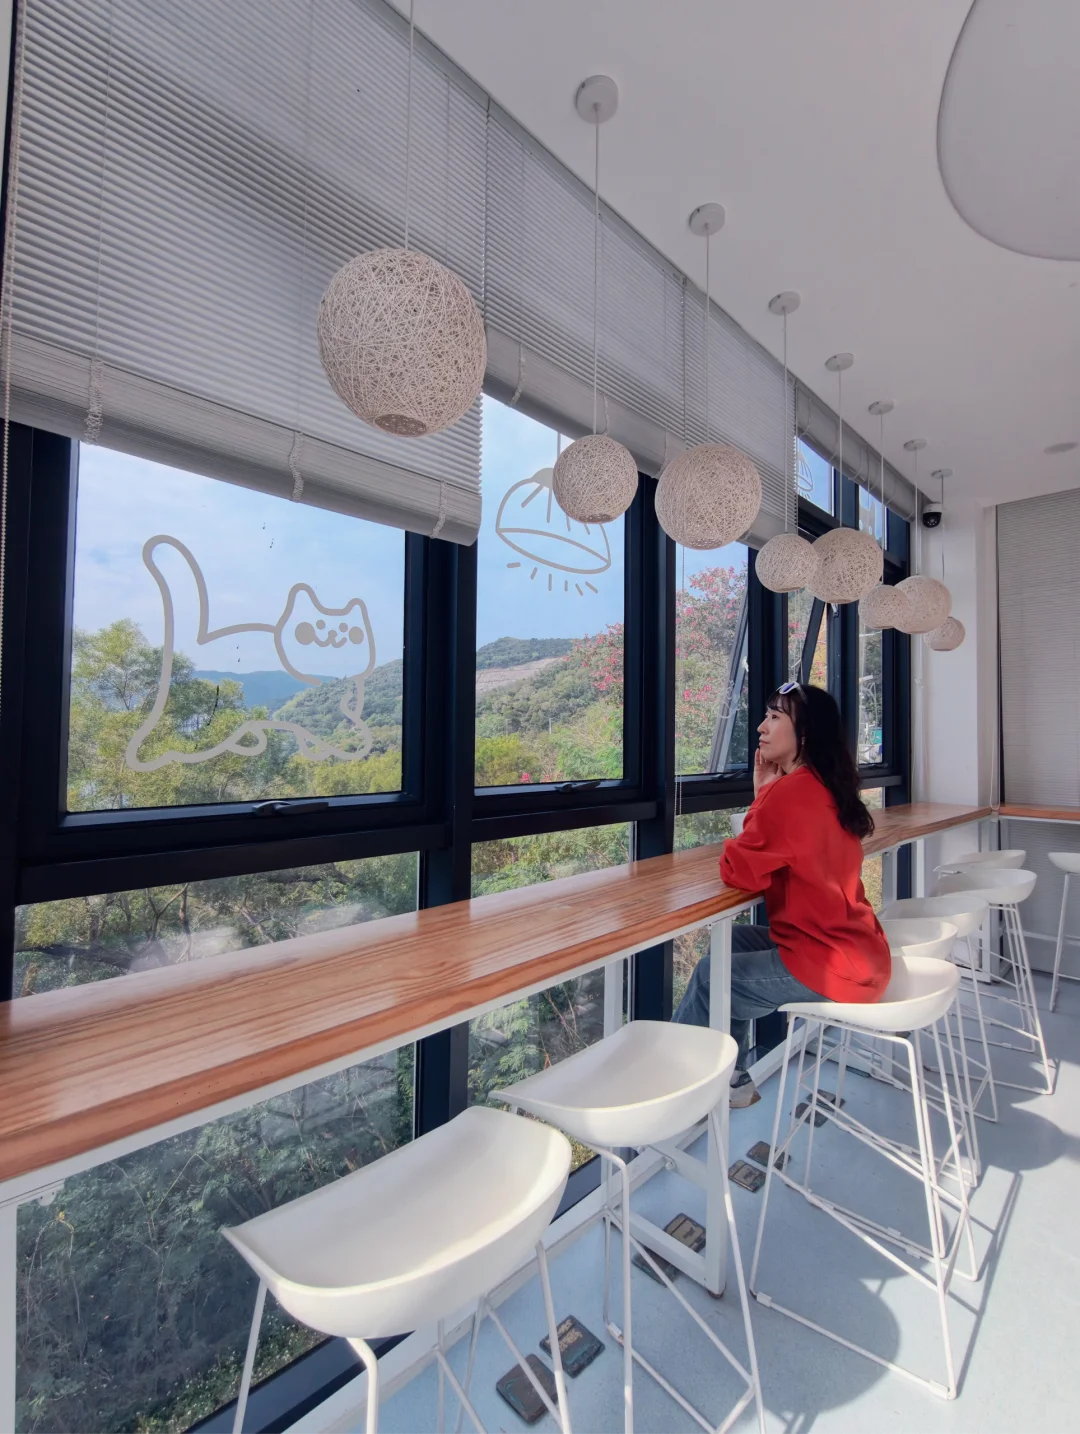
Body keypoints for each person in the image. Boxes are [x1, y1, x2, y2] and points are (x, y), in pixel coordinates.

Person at [673, 681, 891, 1106]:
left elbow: (738, 872)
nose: (761, 727)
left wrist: (763, 796)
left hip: (834, 964)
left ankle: (684, 1092)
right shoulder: (826, 786)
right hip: (858, 949)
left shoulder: (790, 792)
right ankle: (732, 1080)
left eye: (774, 717)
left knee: (711, 978)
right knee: (729, 945)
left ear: (803, 733)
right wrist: (767, 796)